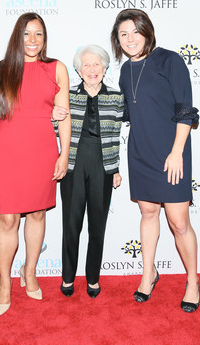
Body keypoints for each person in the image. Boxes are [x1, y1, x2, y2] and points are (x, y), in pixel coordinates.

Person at [111, 9, 199, 313]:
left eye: (135, 31)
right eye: (123, 34)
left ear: (147, 31)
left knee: (179, 222)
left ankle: (192, 280)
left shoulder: (169, 60)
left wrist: (176, 153)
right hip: (140, 151)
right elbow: (124, 112)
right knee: (148, 213)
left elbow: (185, 110)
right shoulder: (124, 71)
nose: (130, 39)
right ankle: (148, 274)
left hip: (171, 152)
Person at [0, 12, 71, 315]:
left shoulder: (56, 68)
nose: (33, 40)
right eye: (26, 34)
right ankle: (4, 283)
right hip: (8, 150)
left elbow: (64, 115)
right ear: (17, 36)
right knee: (8, 219)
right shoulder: (2, 69)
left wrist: (64, 153)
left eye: (38, 34)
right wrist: (17, 134)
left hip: (43, 150)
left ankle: (31, 271)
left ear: (45, 37)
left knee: (38, 213)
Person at [59, 44, 124, 298]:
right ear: (78, 69)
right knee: (71, 224)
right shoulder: (66, 95)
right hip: (73, 163)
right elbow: (57, 128)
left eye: (97, 64)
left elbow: (115, 135)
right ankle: (67, 277)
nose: (92, 69)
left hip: (102, 165)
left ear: (106, 68)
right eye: (86, 64)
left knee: (97, 225)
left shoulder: (117, 97)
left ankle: (93, 278)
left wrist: (115, 168)